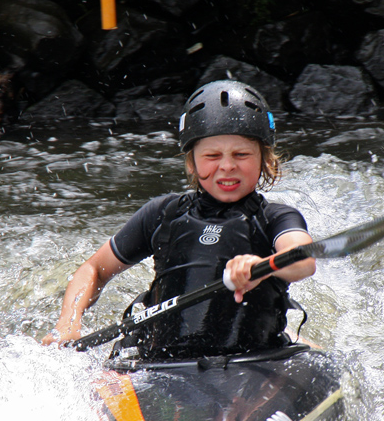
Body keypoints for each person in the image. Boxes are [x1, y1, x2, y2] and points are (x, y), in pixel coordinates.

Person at [41, 80, 316, 359]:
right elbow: (94, 269)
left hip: (253, 360)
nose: (227, 166)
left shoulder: (276, 217)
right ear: (192, 163)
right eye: (212, 156)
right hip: (162, 363)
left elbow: (303, 259)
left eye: (241, 154)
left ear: (265, 160)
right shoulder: (163, 213)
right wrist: (69, 322)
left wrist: (263, 267)